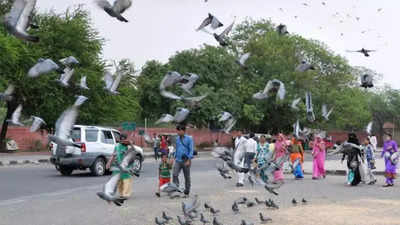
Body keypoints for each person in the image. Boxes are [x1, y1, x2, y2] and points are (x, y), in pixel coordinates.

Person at [106, 133, 134, 201]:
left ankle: (126, 194)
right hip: (118, 166)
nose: (123, 141)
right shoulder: (117, 146)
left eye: (124, 140)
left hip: (127, 166)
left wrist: (130, 144)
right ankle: (121, 194)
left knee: (126, 180)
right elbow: (113, 155)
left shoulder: (129, 146)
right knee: (119, 181)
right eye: (122, 140)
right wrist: (109, 163)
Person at [172, 124, 194, 197]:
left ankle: (187, 192)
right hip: (178, 160)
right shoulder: (177, 139)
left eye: (178, 131)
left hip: (186, 160)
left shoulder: (189, 139)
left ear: (182, 131)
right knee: (174, 174)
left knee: (187, 177)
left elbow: (191, 150)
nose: (177, 132)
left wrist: (189, 160)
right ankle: (176, 189)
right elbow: (177, 149)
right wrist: (173, 158)